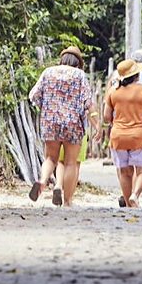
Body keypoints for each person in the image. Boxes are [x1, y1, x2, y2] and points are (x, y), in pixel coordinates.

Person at [27, 45, 94, 207]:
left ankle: (42, 181)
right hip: (73, 123)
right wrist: (96, 123)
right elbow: (87, 102)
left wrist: (47, 107)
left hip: (50, 121)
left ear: (62, 59)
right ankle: (68, 201)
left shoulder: (48, 72)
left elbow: (33, 95)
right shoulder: (79, 75)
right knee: (71, 162)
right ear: (78, 62)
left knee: (50, 158)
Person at [101, 57, 142, 207]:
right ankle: (135, 195)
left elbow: (106, 117)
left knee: (125, 172)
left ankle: (128, 204)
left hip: (118, 136)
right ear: (136, 76)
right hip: (140, 136)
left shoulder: (113, 92)